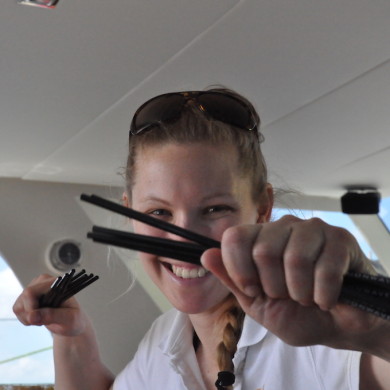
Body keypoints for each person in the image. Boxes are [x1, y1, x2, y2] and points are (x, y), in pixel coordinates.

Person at [13, 88, 390, 390]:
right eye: (158, 213)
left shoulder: (322, 331)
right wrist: (72, 334)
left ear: (262, 209)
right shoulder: (165, 340)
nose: (185, 237)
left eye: (214, 210)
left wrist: (376, 330)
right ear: (129, 214)